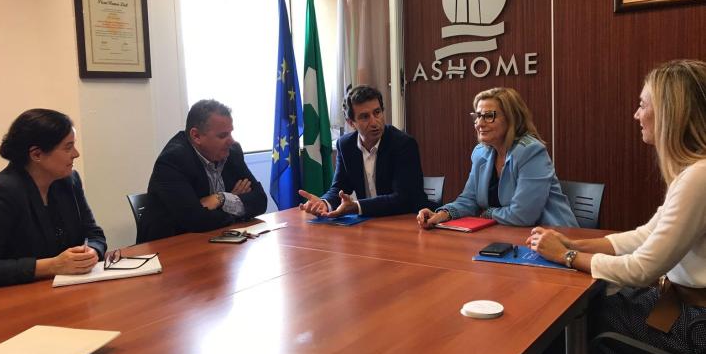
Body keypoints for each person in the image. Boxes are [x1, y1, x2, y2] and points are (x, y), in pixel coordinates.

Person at [527, 59, 706, 354]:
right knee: (585, 336)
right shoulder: (694, 173)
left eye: (643, 105)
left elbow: (641, 268)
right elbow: (644, 236)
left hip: (696, 323)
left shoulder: (697, 177)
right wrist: (573, 244)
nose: (637, 115)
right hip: (684, 304)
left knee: (573, 344)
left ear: (669, 113)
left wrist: (565, 257)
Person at [0, 109, 106, 288]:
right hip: (17, 296)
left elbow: (94, 234)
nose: (76, 153)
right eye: (68, 147)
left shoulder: (69, 181)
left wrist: (92, 252)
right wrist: (50, 266)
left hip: (68, 290)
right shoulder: (2, 191)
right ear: (36, 154)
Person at [417, 87, 577, 229]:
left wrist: (488, 213)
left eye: (489, 116)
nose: (479, 123)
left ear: (511, 119)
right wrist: (442, 214)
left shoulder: (531, 151)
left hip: (553, 236)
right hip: (507, 234)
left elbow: (523, 215)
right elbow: (469, 199)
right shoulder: (480, 153)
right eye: (477, 116)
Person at [138, 99, 267, 243]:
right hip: (169, 246)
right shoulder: (173, 160)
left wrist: (221, 199)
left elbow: (260, 201)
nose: (231, 141)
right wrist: (235, 205)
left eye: (230, 133)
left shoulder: (232, 152)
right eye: (222, 135)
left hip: (216, 241)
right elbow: (195, 220)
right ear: (196, 136)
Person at [298, 85, 429, 217]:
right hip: (369, 222)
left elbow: (404, 198)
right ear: (351, 123)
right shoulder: (345, 145)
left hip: (408, 220)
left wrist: (357, 206)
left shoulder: (403, 144)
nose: (374, 122)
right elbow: (339, 188)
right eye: (365, 117)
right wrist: (324, 203)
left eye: (377, 112)